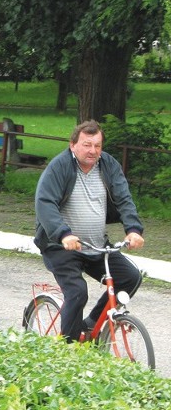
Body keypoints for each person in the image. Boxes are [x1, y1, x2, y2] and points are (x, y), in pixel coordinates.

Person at [34, 119, 144, 342]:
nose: (93, 151)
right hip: (61, 247)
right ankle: (68, 348)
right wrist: (63, 234)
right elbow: (45, 202)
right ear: (73, 145)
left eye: (97, 145)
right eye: (87, 144)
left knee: (130, 277)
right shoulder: (59, 167)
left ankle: (92, 324)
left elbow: (123, 198)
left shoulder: (108, 165)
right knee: (77, 291)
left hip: (96, 245)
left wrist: (133, 229)